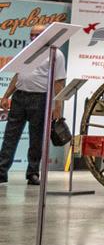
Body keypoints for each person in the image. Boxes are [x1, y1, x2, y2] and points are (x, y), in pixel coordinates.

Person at [0, 25, 65, 186]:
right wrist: (6, 95)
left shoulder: (56, 53)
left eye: (37, 34)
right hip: (19, 97)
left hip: (40, 98)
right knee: (10, 136)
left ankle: (32, 173)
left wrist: (57, 107)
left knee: (36, 138)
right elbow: (18, 75)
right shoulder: (26, 51)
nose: (33, 37)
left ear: (46, 35)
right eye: (32, 34)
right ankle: (1, 172)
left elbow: (59, 82)